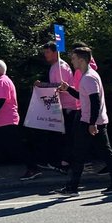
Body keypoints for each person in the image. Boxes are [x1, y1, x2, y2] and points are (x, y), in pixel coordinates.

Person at [57, 46, 112, 195]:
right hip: (92, 120)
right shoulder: (88, 76)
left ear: (81, 60)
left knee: (85, 153)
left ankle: (74, 187)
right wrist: (68, 89)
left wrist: (92, 123)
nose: (72, 61)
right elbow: (83, 97)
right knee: (95, 153)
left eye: (74, 58)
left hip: (90, 121)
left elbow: (95, 102)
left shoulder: (89, 77)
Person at [33, 40, 76, 173]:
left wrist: (42, 85)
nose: (45, 55)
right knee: (58, 134)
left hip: (67, 106)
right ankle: (60, 161)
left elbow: (61, 87)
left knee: (63, 135)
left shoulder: (60, 67)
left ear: (55, 52)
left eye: (47, 52)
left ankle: (63, 163)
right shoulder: (55, 66)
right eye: (44, 52)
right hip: (61, 105)